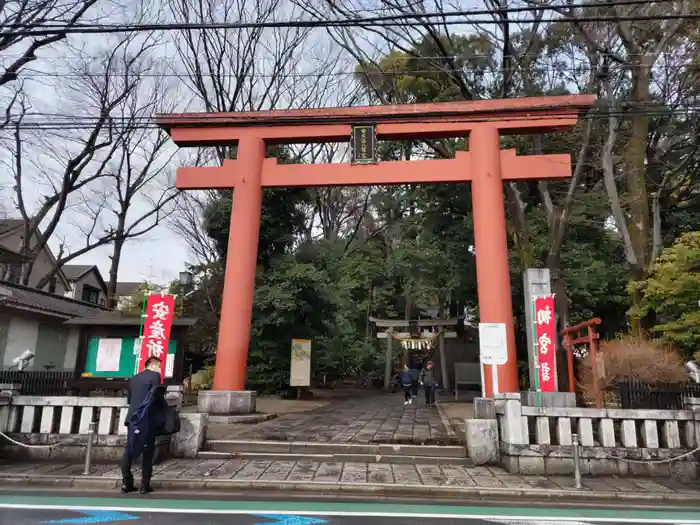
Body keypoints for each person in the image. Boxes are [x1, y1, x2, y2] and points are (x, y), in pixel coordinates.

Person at [121, 356, 167, 495]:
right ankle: (144, 485)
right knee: (147, 451)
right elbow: (156, 396)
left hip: (132, 418)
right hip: (146, 418)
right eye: (159, 366)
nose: (160, 369)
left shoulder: (134, 378)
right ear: (153, 365)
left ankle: (126, 483)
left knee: (129, 449)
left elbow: (130, 399)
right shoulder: (155, 376)